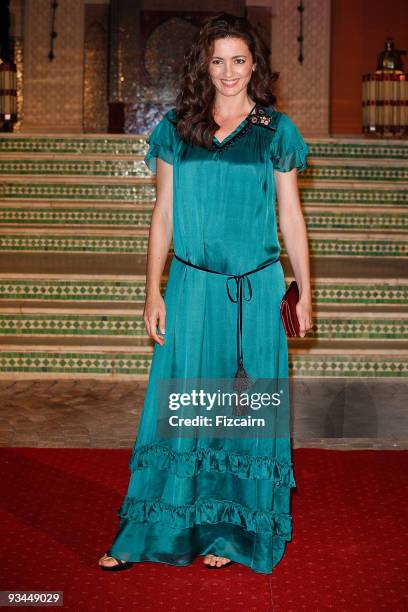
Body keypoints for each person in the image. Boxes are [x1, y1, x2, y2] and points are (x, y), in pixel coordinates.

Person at [99, 11, 312, 573]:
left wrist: (305, 291)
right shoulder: (177, 127)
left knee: (244, 415)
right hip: (192, 290)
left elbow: (290, 216)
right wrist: (153, 290)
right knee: (184, 409)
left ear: (254, 64)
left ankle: (232, 533)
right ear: (203, 65)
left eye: (238, 59)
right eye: (217, 60)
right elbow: (163, 213)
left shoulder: (275, 131)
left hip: (257, 294)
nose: (228, 71)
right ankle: (159, 529)